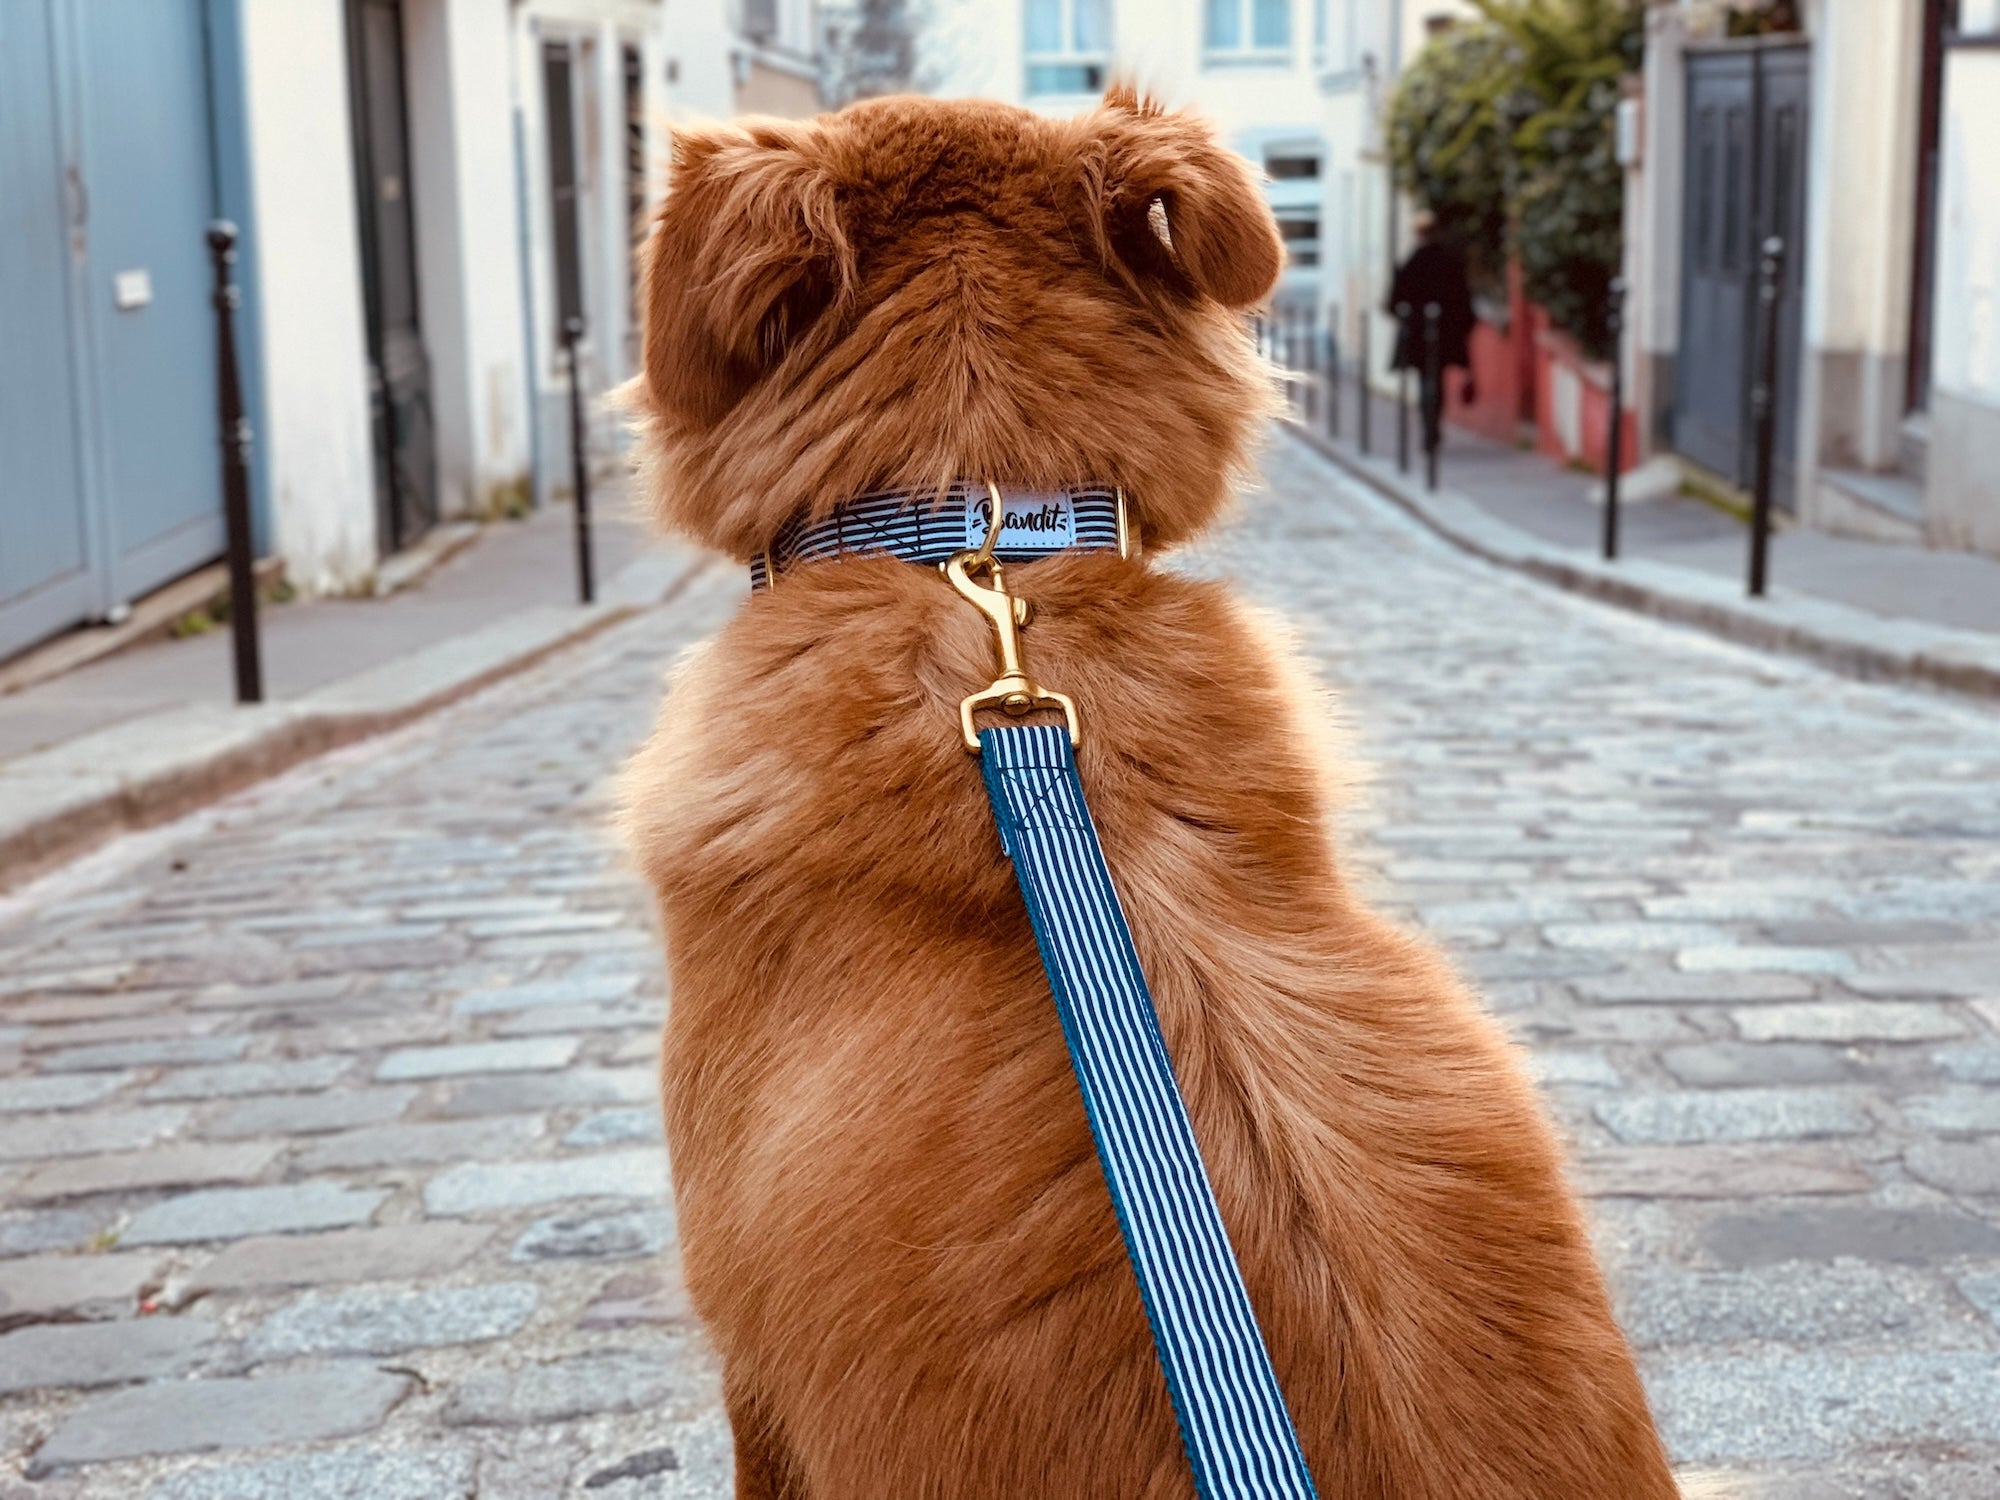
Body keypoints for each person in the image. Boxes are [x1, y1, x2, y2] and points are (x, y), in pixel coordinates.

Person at [1387, 213, 1477, 457]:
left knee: (1425, 381)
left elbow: (1393, 303)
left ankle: (1430, 430)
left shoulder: (1411, 262)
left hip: (1418, 334)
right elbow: (1465, 302)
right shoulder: (1450, 262)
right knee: (1437, 381)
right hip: (1445, 333)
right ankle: (1432, 430)